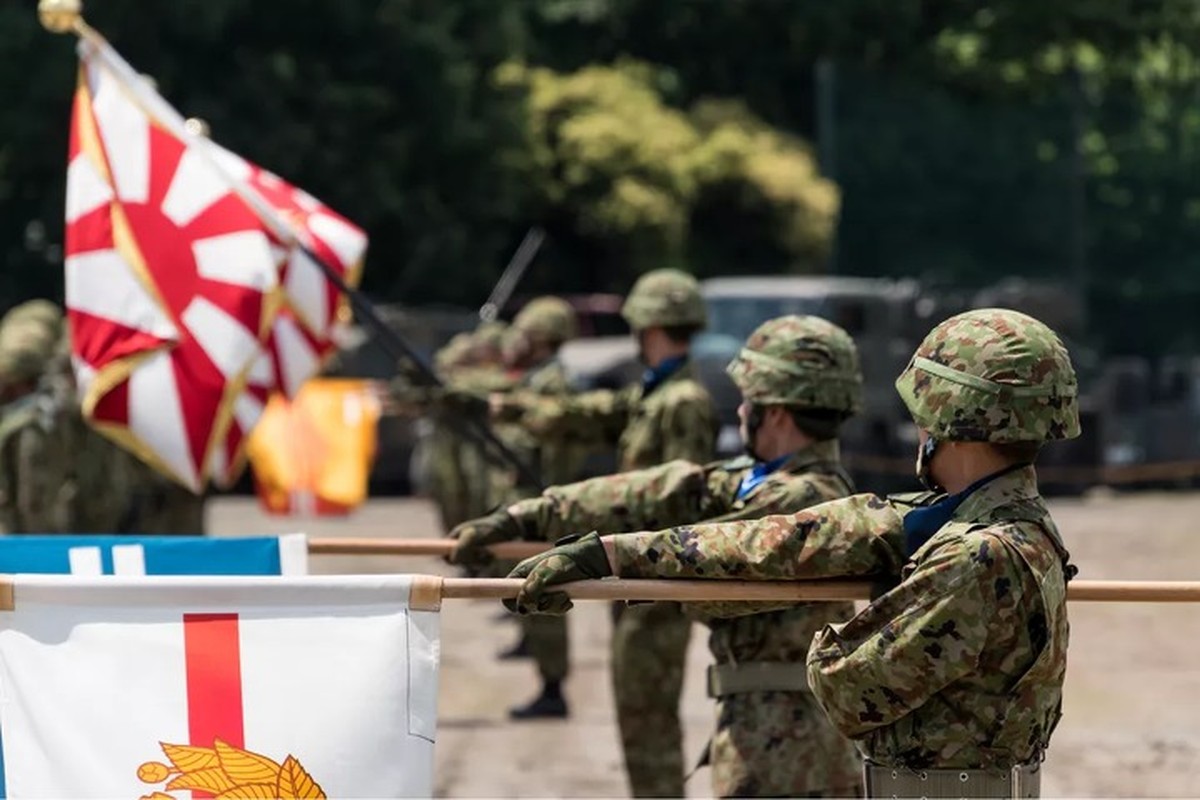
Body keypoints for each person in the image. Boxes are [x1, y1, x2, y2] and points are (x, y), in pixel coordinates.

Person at [508, 308, 1080, 800]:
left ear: (947, 419)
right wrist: (611, 554)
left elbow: (847, 688)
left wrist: (870, 587)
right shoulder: (994, 525)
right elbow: (772, 542)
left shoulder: (974, 556)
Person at [452, 315, 865, 796]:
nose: (738, 412)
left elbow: (706, 551)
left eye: (747, 401)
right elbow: (658, 488)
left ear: (774, 413)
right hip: (770, 733)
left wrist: (604, 556)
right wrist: (530, 515)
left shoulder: (803, 497)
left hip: (796, 755)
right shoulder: (763, 480)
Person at [491, 268, 715, 796]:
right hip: (639, 580)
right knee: (636, 714)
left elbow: (677, 494)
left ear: (648, 326)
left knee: (649, 719)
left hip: (658, 587)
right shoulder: (655, 393)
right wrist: (507, 406)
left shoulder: (681, 402)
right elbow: (590, 414)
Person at [486, 297, 585, 719]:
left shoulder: (553, 385)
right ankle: (546, 673)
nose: (518, 340)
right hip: (531, 502)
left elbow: (547, 443)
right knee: (530, 593)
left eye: (526, 333)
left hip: (545, 505)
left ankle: (553, 687)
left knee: (547, 597)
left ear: (542, 338)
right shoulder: (537, 379)